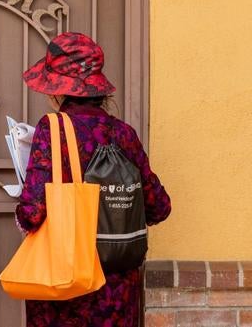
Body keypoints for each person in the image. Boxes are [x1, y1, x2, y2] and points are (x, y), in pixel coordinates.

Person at [16, 32, 171, 326]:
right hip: (117, 291)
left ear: (57, 90)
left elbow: (33, 211)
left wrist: (21, 210)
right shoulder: (124, 134)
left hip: (65, 285)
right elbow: (159, 206)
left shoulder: (52, 130)